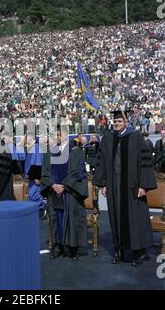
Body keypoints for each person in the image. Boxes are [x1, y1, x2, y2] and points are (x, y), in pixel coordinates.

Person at [93, 110, 157, 266]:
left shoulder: (136, 137)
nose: (116, 124)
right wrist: (103, 184)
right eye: (115, 122)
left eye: (119, 122)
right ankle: (119, 251)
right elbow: (101, 162)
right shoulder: (108, 138)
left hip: (132, 186)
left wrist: (144, 185)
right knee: (116, 217)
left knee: (135, 219)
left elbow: (145, 162)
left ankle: (138, 253)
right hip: (114, 185)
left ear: (126, 122)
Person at [41, 127, 88, 259]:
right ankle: (57, 246)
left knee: (72, 219)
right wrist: (53, 185)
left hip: (70, 192)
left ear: (66, 135)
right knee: (56, 219)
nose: (57, 137)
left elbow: (78, 172)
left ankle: (73, 248)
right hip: (53, 191)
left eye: (59, 134)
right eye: (55, 135)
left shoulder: (76, 151)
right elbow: (44, 172)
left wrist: (64, 185)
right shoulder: (49, 152)